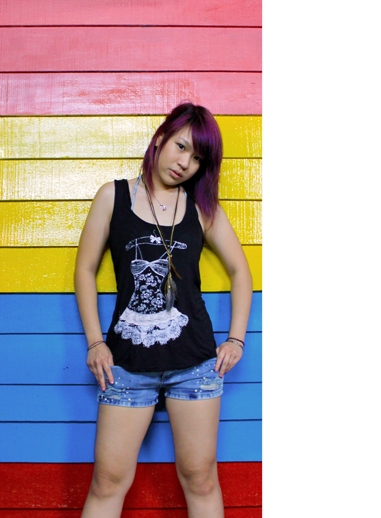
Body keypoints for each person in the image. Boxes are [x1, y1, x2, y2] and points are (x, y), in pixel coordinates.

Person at [74, 102, 253, 518]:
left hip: (194, 364)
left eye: (197, 158)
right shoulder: (113, 196)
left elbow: (240, 271)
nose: (185, 163)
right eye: (181, 146)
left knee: (201, 478)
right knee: (107, 482)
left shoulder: (202, 208)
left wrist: (237, 339)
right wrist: (96, 343)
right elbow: (84, 270)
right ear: (160, 139)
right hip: (126, 365)